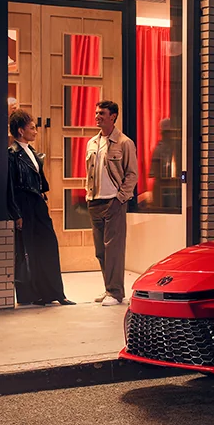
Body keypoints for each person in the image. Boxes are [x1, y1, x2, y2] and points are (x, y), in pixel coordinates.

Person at [6, 109, 72, 306]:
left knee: (48, 245)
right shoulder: (12, 155)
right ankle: (31, 295)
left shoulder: (33, 152)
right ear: (20, 130)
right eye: (32, 128)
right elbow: (9, 187)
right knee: (27, 250)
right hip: (23, 205)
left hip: (37, 203)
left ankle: (55, 293)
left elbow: (39, 180)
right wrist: (16, 214)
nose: (35, 131)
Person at [86, 100, 138, 306]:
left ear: (113, 116)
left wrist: (120, 198)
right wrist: (87, 194)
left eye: (102, 113)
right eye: (96, 112)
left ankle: (116, 293)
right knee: (100, 250)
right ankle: (109, 288)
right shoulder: (92, 143)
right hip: (94, 201)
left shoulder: (125, 143)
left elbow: (132, 174)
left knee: (113, 249)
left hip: (113, 202)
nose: (97, 116)